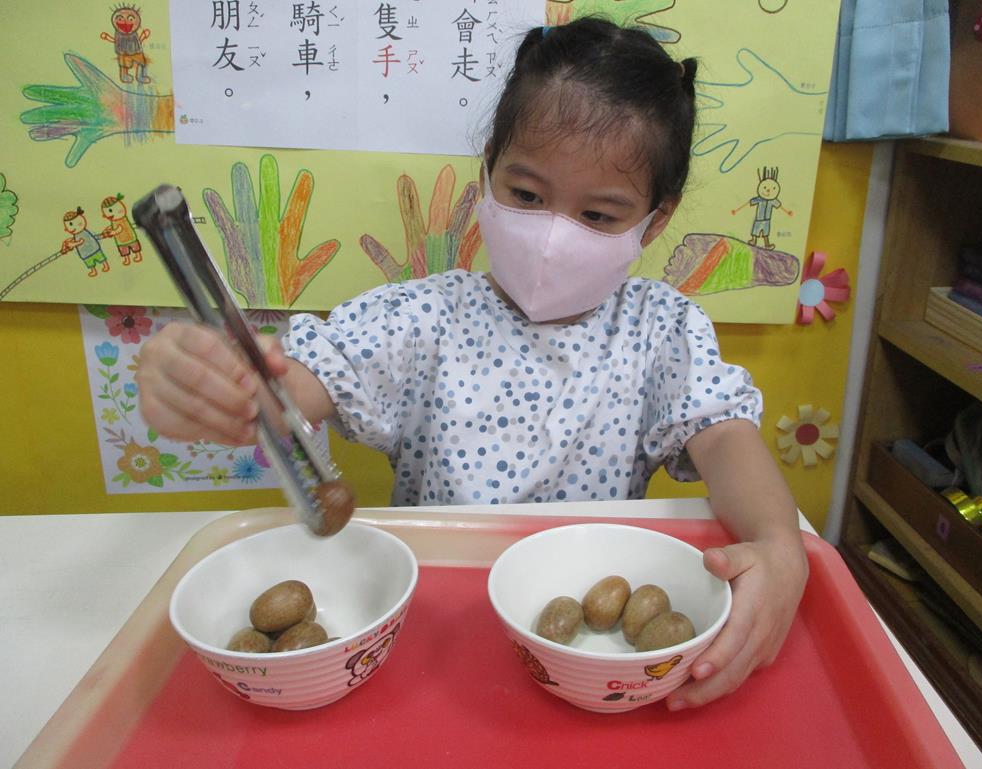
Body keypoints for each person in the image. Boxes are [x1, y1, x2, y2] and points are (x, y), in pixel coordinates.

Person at [137, 17, 808, 711]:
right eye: (526, 195)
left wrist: (778, 544)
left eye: (599, 216)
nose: (552, 235)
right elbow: (291, 388)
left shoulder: (659, 328)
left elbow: (725, 436)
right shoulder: (422, 317)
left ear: (655, 219)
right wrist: (214, 381)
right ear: (488, 170)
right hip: (433, 638)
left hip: (585, 647)